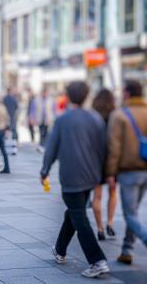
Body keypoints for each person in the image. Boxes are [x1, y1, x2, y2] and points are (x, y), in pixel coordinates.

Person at [41, 81, 109, 278]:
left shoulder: (63, 120)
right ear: (87, 95)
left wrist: (44, 170)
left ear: (68, 97)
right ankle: (60, 249)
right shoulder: (96, 118)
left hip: (71, 176)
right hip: (91, 175)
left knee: (79, 217)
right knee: (74, 212)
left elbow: (51, 148)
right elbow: (104, 148)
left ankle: (97, 260)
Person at [105, 80, 147, 266]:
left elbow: (114, 148)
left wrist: (110, 173)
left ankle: (144, 239)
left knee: (130, 214)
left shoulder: (120, 115)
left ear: (127, 94)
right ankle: (126, 250)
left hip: (129, 172)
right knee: (134, 212)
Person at [91, 89, 117, 241]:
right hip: (112, 159)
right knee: (113, 191)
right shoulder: (115, 116)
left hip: (96, 160)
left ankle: (100, 228)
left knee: (97, 195)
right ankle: (110, 223)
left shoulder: (92, 118)